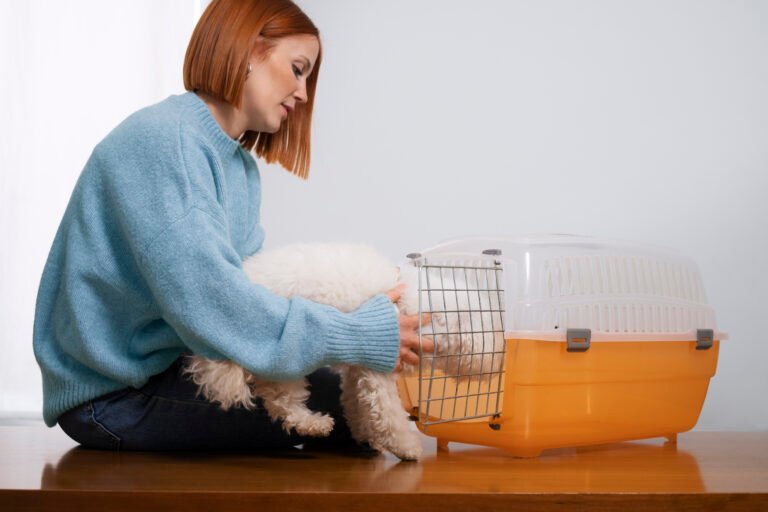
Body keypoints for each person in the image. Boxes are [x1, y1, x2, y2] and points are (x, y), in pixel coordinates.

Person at [32, 0, 433, 452]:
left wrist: (355, 319)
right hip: (113, 398)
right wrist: (358, 334)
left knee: (350, 403)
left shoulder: (237, 167)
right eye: (298, 69)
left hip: (164, 372)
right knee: (353, 419)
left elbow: (249, 296)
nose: (302, 93)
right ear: (247, 50)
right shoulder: (166, 142)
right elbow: (217, 309)